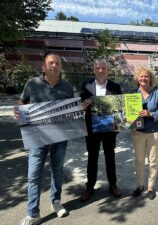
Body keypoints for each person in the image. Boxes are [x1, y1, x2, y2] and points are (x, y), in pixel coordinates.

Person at [16, 52, 74, 225]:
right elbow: (22, 102)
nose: (54, 66)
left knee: (57, 171)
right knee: (34, 175)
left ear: (61, 67)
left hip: (60, 136)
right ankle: (33, 213)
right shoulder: (32, 83)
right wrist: (18, 109)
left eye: (57, 63)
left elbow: (73, 110)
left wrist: (82, 108)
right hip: (37, 136)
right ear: (44, 66)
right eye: (51, 63)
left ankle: (56, 202)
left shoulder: (67, 87)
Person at [80, 58, 122, 202]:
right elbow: (81, 106)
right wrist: (83, 105)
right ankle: (90, 187)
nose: (101, 70)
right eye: (98, 68)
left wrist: (118, 126)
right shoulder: (86, 85)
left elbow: (120, 109)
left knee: (110, 157)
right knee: (92, 158)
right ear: (94, 69)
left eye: (104, 68)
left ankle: (113, 185)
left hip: (110, 129)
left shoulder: (115, 87)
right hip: (92, 129)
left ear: (107, 70)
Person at [131, 66, 158, 200]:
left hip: (154, 132)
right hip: (138, 132)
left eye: (146, 76)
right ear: (137, 78)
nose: (143, 78)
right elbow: (126, 113)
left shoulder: (157, 94)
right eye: (141, 76)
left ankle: (150, 187)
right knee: (139, 160)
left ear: (150, 78)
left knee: (153, 161)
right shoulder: (133, 94)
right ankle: (140, 185)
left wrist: (151, 113)